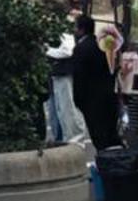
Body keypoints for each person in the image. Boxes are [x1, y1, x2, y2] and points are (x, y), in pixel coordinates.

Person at [71, 16, 119, 151]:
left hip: (90, 99)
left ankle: (105, 162)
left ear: (81, 30)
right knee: (111, 133)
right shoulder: (104, 45)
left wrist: (78, 100)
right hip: (109, 95)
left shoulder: (80, 49)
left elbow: (79, 77)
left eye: (76, 27)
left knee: (98, 135)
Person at [45, 25, 87, 144]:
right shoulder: (53, 29)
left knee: (66, 107)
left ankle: (73, 139)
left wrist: (47, 50)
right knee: (56, 109)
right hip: (55, 74)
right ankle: (61, 138)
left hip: (64, 74)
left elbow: (67, 51)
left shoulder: (64, 30)